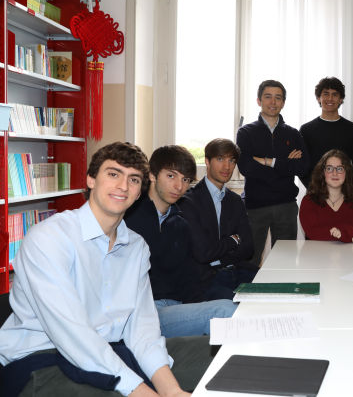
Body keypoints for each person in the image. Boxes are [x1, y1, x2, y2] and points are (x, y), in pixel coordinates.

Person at [0, 142, 208, 397]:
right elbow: (74, 336)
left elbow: (142, 331)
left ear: (139, 192)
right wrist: (145, 393)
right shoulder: (49, 237)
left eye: (133, 179)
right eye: (113, 174)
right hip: (41, 358)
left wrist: (171, 391)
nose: (123, 186)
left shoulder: (136, 247)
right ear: (91, 180)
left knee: (222, 356)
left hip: (112, 351)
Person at [125, 145, 237, 338]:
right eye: (171, 176)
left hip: (175, 307)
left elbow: (189, 279)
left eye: (185, 180)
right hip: (144, 313)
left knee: (237, 306)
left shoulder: (180, 223)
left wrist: (198, 308)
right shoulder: (129, 218)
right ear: (152, 175)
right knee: (226, 311)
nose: (179, 186)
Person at [236, 80, 309, 267]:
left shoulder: (293, 134)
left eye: (278, 98)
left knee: (284, 263)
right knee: (249, 262)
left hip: (286, 206)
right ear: (259, 100)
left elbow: (302, 168)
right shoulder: (245, 133)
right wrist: (286, 165)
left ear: (283, 102)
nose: (273, 102)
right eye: (268, 97)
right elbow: (246, 167)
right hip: (254, 206)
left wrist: (269, 161)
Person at [179, 138, 257, 301]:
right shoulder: (188, 201)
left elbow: (248, 247)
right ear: (207, 161)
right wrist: (233, 240)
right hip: (207, 278)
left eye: (232, 160)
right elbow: (203, 253)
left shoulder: (235, 200)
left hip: (237, 270)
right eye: (220, 159)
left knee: (274, 291)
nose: (227, 167)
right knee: (237, 305)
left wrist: (219, 256)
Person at [300, 77, 353, 188]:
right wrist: (314, 189)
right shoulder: (306, 130)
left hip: (344, 193)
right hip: (315, 192)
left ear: (341, 99)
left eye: (335, 94)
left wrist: (348, 191)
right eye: (326, 94)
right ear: (318, 98)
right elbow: (301, 166)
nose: (330, 98)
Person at [300, 149, 353, 242]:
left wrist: (340, 232)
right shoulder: (309, 201)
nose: (335, 173)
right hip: (318, 251)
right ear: (322, 172)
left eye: (340, 169)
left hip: (351, 251)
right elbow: (312, 233)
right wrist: (346, 231)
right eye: (329, 168)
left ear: (347, 173)